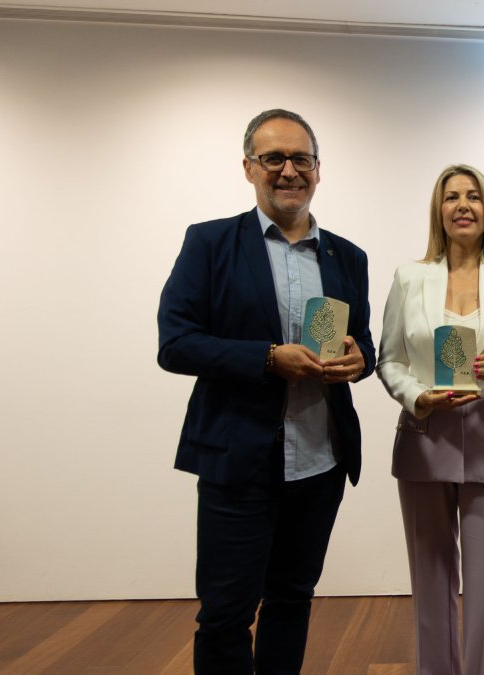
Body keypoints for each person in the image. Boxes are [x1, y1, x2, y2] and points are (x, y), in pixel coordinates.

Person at [157, 109, 375, 674]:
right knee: (226, 614)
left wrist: (358, 360)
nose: (288, 170)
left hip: (320, 461)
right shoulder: (209, 243)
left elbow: (364, 345)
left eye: (300, 158)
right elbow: (176, 344)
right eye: (273, 158)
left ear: (318, 170)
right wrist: (266, 358)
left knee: (292, 599)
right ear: (249, 168)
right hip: (239, 461)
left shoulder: (348, 256)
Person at [376, 165, 484, 675]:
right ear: (438, 210)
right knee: (429, 584)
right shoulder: (409, 276)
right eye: (452, 197)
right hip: (424, 439)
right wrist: (418, 397)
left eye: (473, 196)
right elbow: (390, 359)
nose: (463, 205)